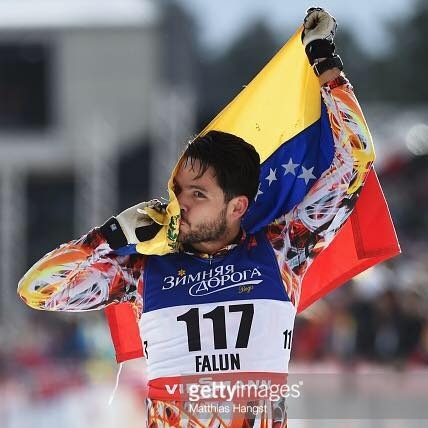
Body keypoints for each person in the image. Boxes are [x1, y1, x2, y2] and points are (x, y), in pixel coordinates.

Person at [18, 8, 375, 427]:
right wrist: (107, 236)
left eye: (199, 194)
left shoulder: (283, 249)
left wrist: (325, 66)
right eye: (180, 190)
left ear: (237, 206)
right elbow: (36, 290)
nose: (181, 203)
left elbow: (355, 159)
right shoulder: (142, 268)